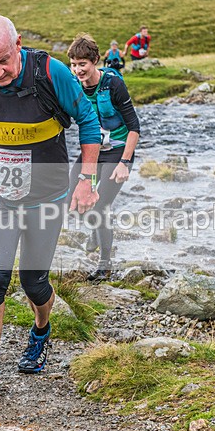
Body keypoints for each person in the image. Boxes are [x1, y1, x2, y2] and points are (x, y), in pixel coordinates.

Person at [0, 14, 101, 396]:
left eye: (2, 61)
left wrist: (86, 181)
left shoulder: (50, 72)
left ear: (18, 44)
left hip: (48, 196)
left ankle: (41, 330)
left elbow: (89, 123)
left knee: (33, 281)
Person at [68, 34, 140, 282]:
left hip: (118, 152)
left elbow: (134, 127)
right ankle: (97, 231)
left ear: (95, 61)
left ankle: (105, 264)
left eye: (82, 64)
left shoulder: (113, 84)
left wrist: (125, 163)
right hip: (92, 152)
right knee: (72, 200)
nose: (78, 70)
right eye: (74, 65)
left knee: (100, 205)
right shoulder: (74, 85)